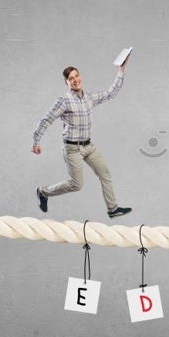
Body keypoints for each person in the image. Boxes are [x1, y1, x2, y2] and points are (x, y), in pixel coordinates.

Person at [32, 56, 132, 218]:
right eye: (71, 79)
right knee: (76, 185)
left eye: (76, 76)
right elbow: (46, 120)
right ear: (67, 82)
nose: (75, 80)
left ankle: (112, 209)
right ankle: (43, 192)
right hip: (73, 149)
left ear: (81, 77)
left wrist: (121, 70)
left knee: (105, 174)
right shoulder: (64, 101)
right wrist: (36, 141)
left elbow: (110, 93)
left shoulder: (89, 97)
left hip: (89, 146)